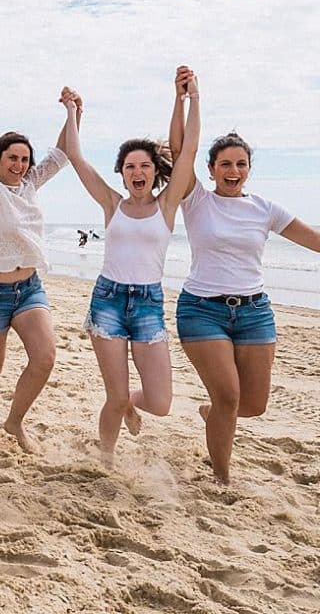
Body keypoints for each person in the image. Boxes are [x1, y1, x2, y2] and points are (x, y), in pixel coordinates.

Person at [169, 67, 320, 483]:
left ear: (249, 168)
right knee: (230, 396)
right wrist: (187, 98)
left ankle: (213, 413)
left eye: (240, 164)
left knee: (252, 405)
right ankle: (221, 477)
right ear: (212, 168)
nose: (232, 171)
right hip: (202, 310)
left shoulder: (265, 208)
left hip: (255, 312)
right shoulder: (196, 199)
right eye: (224, 164)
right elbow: (179, 149)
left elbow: (315, 240)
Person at [61, 73, 199, 464]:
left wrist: (185, 99)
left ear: (155, 171)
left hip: (148, 305)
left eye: (144, 166)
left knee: (160, 402)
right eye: (129, 167)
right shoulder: (111, 203)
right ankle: (105, 458)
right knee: (114, 394)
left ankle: (127, 405)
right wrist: (72, 110)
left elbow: (187, 152)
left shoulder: (169, 204)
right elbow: (76, 156)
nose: (137, 172)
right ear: (122, 173)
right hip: (108, 300)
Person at [0, 76, 75, 453]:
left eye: (25, 159)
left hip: (28, 288)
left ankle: (14, 421)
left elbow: (61, 154)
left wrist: (74, 112)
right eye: (12, 157)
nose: (20, 164)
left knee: (44, 356)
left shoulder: (28, 183)